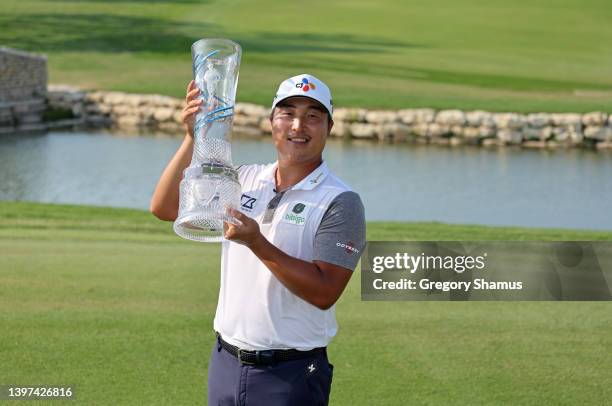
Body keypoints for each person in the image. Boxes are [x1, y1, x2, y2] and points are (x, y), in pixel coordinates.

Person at [150, 73, 366, 405]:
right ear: (271, 123)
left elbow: (325, 292)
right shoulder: (244, 179)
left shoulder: (340, 200)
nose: (298, 126)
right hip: (225, 361)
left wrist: (257, 242)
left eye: (312, 116)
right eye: (288, 113)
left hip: (291, 374)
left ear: (329, 127)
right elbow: (165, 207)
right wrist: (193, 137)